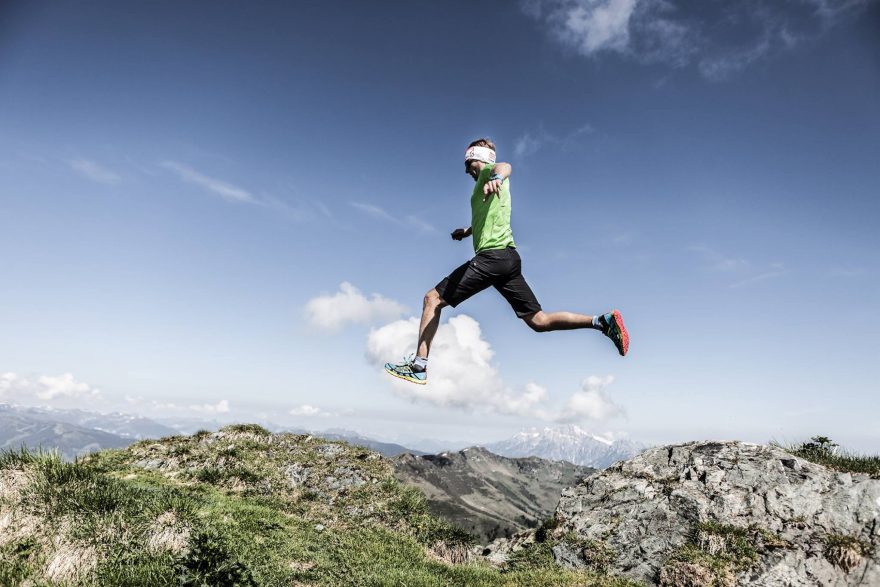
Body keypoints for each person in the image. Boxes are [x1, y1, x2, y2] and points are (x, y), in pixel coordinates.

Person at [384, 138, 629, 385]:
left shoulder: (488, 175)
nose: (466, 171)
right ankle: (601, 321)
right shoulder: (487, 188)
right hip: (509, 259)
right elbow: (488, 216)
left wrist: (497, 177)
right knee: (538, 321)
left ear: (473, 160)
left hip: (492, 257)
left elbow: (505, 166)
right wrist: (467, 231)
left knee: (432, 299)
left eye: (467, 165)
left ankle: (419, 366)